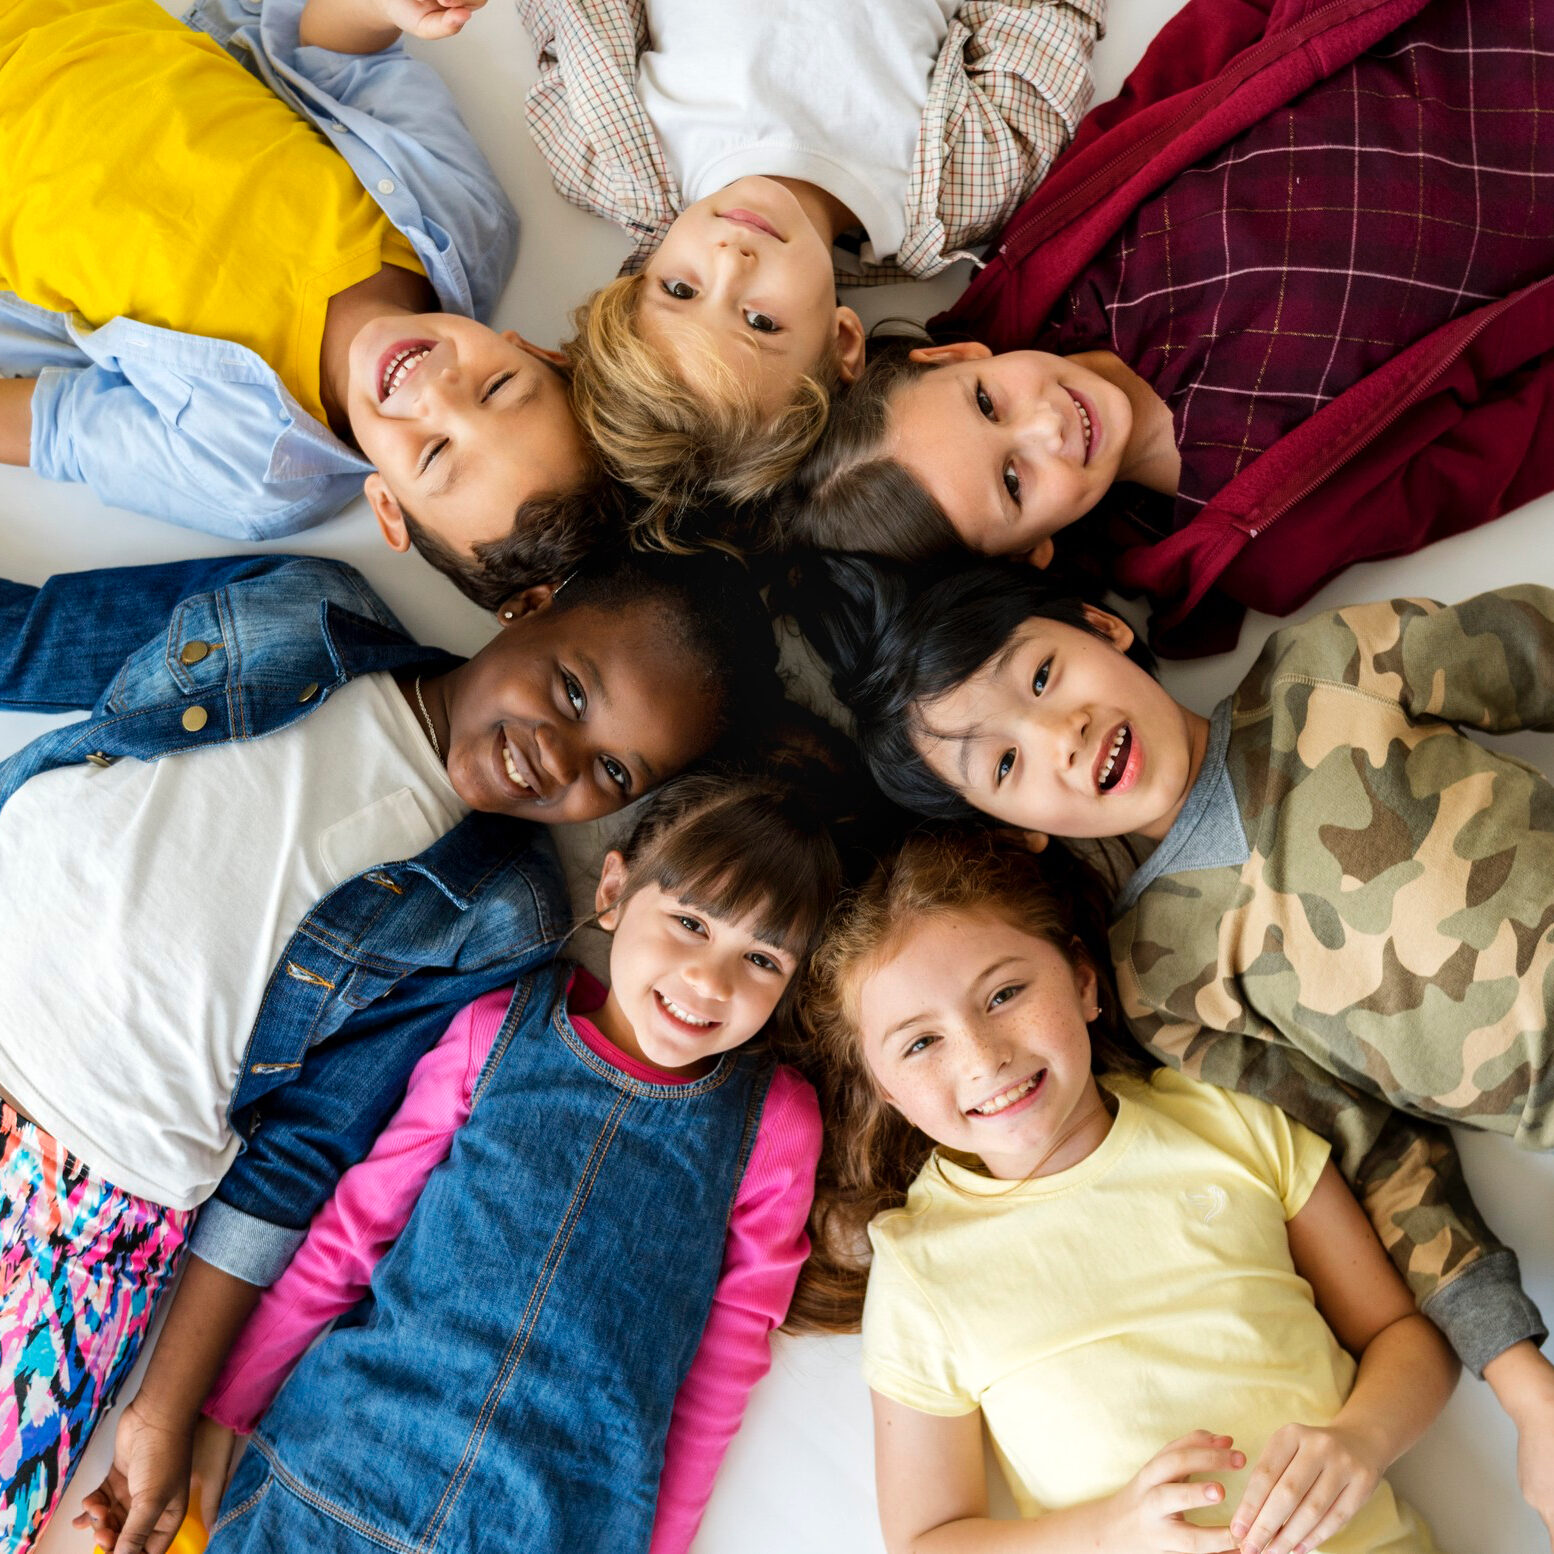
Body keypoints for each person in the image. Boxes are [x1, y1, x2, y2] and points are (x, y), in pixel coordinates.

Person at [0, 543, 782, 1552]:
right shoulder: (299, 606)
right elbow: (32, 644)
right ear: (526, 605)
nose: (561, 755)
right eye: (573, 688)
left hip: (88, 1199)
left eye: (614, 771)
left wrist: (161, 1410)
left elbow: (300, 1156)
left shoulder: (501, 911)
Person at [784, 550, 1554, 1541]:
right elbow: (1379, 1154)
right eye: (1006, 765)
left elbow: (1538, 650)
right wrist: (1525, 1386)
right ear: (1011, 829)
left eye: (1043, 676)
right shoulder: (1166, 979)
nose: (1057, 737)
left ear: (1102, 627)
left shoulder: (1334, 664)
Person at [89, 769, 846, 1554]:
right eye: (690, 922)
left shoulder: (773, 1125)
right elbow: (352, 1234)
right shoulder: (497, 1028)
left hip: (554, 1524)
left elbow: (725, 1360)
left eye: (762, 961)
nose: (709, 980)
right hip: (335, 1475)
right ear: (615, 891)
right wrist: (222, 1415)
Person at [782, 0, 1554, 655]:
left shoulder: (1064, 253)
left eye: (988, 403)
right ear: (1031, 551)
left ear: (956, 355)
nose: (1046, 426)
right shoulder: (1263, 541)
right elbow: (1504, 447)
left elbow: (1200, 57)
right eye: (1014, 483)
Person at [802, 826, 1455, 1554]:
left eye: (1005, 993)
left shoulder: (1231, 1124)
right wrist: (1108, 1533)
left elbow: (1407, 1340)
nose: (984, 1058)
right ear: (887, 1091)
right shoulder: (921, 1266)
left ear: (1083, 982)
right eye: (922, 1043)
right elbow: (927, 1540)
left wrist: (1360, 1440)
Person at [0, 0, 613, 606]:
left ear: (388, 505)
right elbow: (336, 55)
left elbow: (53, 428)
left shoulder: (253, 477)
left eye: (433, 454)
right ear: (530, 349)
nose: (437, 391)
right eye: (497, 388)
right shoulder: (466, 218)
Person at [518, 0, 1104, 530]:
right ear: (842, 341)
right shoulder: (959, 192)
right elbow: (1044, 21)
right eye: (760, 323)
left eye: (680, 288)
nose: (731, 261)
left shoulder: (609, 157)